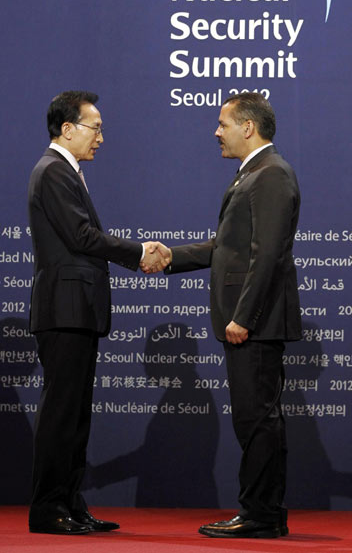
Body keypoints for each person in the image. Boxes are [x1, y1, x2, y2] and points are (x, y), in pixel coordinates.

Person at [28, 91, 170, 535]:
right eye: (96, 128)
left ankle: (71, 503)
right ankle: (49, 508)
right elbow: (82, 236)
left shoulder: (66, 171)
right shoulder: (53, 171)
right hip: (64, 310)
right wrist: (139, 252)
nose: (101, 138)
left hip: (78, 310)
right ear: (67, 128)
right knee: (61, 415)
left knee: (76, 416)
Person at [163, 92, 302, 538]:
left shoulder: (271, 174)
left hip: (255, 322)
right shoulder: (253, 173)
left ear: (248, 127)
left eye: (223, 124)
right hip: (249, 320)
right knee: (252, 417)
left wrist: (244, 317)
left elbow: (268, 255)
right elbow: (229, 247)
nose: (216, 132)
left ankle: (261, 514)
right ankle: (263, 511)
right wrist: (170, 257)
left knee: (257, 418)